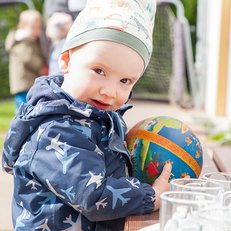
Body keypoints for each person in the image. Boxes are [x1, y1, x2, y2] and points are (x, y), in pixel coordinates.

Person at [2, 0, 172, 230]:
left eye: (125, 81)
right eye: (99, 71)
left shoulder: (96, 116)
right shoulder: (55, 129)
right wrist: (151, 196)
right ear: (66, 61)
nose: (110, 91)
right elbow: (92, 196)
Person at [5, 9, 47, 110]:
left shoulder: (30, 39)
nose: (37, 31)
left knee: (31, 105)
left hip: (29, 81)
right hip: (24, 81)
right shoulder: (21, 40)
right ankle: (21, 125)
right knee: (23, 107)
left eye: (38, 28)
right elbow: (27, 57)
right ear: (23, 26)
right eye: (34, 28)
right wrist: (41, 67)